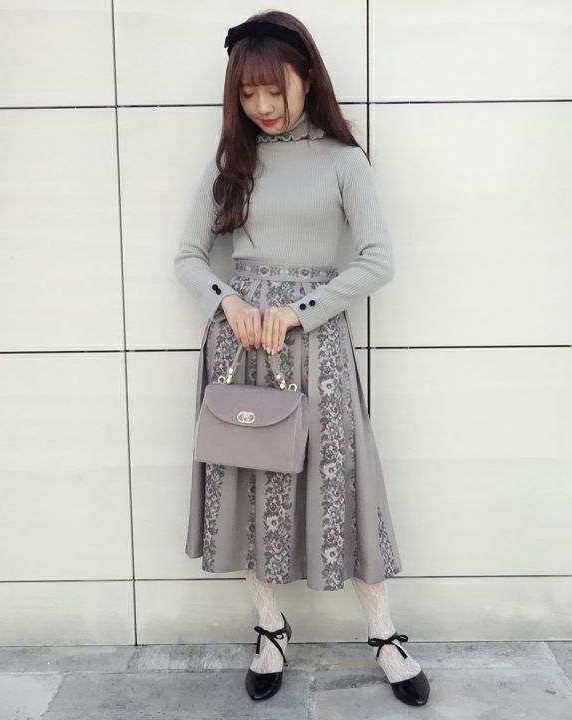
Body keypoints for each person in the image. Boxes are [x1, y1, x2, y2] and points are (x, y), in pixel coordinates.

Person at [173, 10, 430, 708]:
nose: (261, 105)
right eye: (247, 92)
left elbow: (377, 261)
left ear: (307, 78)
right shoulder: (232, 164)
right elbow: (189, 257)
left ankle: (383, 634)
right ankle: (269, 630)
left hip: (317, 352)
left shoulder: (344, 161)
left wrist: (300, 311)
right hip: (241, 350)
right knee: (250, 480)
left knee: (341, 480)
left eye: (274, 88)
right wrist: (227, 300)